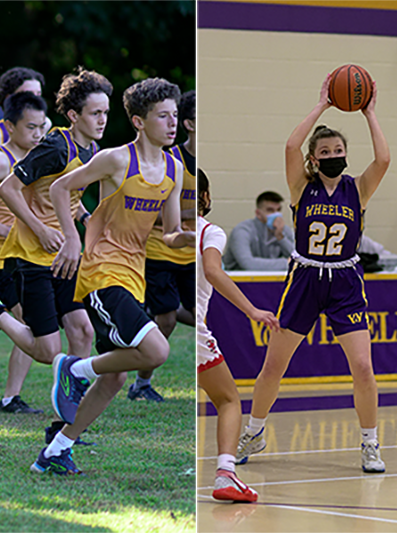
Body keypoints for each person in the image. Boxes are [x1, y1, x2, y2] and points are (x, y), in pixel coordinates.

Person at [33, 78, 195, 475]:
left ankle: (55, 452)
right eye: (163, 116)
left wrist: (191, 235)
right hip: (102, 271)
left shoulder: (175, 168)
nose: (172, 123)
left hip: (133, 273)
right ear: (139, 122)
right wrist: (71, 238)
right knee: (157, 351)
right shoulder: (116, 159)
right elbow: (59, 187)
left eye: (175, 115)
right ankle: (75, 369)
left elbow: (169, 232)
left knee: (116, 377)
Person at [237, 73, 390, 473]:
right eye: (326, 150)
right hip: (305, 278)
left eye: (339, 148)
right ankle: (254, 431)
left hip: (344, 280)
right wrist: (322, 103)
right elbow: (290, 144)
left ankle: (370, 444)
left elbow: (385, 159)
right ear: (314, 158)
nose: (334, 154)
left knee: (363, 367)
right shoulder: (301, 187)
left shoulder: (358, 188)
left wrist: (368, 112)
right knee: (274, 365)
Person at [0, 68, 107, 371]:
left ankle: (74, 405)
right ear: (73, 115)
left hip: (65, 252)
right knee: (47, 351)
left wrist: (85, 216)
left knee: (83, 331)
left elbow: (64, 197)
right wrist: (41, 229)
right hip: (33, 254)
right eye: (95, 113)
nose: (102, 120)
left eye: (106, 112)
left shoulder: (92, 151)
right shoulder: (56, 147)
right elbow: (8, 188)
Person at [197, 168, 279, 502]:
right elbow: (213, 271)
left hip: (152, 317)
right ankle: (225, 474)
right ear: (205, 197)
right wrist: (252, 310)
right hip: (196, 334)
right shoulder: (210, 232)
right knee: (229, 400)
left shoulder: (157, 227)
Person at [136, 90, 198, 403]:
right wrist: (190, 217)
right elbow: (155, 215)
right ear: (190, 124)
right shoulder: (171, 161)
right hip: (160, 250)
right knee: (168, 319)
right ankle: (141, 383)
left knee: (201, 314)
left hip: (191, 255)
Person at [0, 92, 48, 414]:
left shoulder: (38, 158)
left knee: (28, 324)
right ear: (8, 126)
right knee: (25, 323)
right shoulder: (3, 160)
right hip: (4, 256)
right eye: (31, 127)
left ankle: (10, 397)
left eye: (42, 127)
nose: (38, 134)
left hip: (22, 256)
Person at [222, 190, 294, 271]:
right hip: (236, 279)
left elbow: (298, 259)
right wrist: (287, 263)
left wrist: (281, 238)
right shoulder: (242, 231)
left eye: (278, 210)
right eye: (270, 210)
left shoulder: (283, 230)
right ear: (258, 213)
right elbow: (248, 264)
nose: (276, 214)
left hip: (272, 279)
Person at [0, 67, 53, 142]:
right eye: (28, 95)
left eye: (38, 94)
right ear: (8, 98)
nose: (35, 99)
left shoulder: (46, 124)